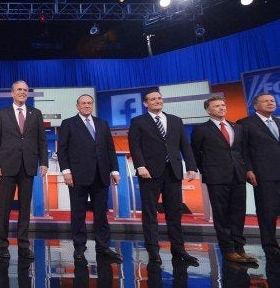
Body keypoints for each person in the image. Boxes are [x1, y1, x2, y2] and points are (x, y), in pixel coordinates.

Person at [128, 90, 199, 266]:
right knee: (150, 213)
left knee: (175, 212)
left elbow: (184, 145)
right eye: (153, 99)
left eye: (159, 98)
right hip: (149, 173)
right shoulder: (138, 122)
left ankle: (178, 249)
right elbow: (134, 146)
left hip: (173, 171)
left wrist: (191, 166)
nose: (157, 101)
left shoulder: (175, 120)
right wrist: (140, 165)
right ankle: (153, 250)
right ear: (145, 104)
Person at [57, 94, 122, 263]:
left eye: (89, 103)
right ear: (77, 106)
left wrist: (115, 170)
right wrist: (66, 171)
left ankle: (103, 247)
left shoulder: (102, 123)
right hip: (77, 176)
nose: (86, 105)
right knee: (78, 214)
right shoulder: (68, 124)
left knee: (101, 214)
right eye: (83, 103)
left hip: (101, 175)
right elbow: (62, 150)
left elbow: (110, 149)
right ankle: (79, 248)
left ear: (92, 105)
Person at [191, 96, 257, 263]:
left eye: (223, 105)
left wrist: (247, 170)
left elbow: (242, 152)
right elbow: (196, 153)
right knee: (222, 216)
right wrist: (207, 170)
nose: (221, 108)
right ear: (208, 110)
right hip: (216, 177)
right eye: (217, 106)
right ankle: (228, 249)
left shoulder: (237, 127)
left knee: (238, 214)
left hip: (238, 175)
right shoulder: (201, 129)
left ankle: (240, 249)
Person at [0, 80, 48, 260]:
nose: (22, 92)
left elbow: (42, 141)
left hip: (28, 166)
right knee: (4, 208)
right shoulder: (2, 114)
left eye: (25, 90)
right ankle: (2, 244)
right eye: (19, 90)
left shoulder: (36, 114)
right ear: (12, 93)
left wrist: (44, 162)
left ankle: (23, 244)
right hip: (6, 166)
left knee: (25, 208)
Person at [237, 92, 280, 260]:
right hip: (263, 173)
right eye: (266, 101)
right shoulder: (245, 123)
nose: (270, 103)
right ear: (255, 106)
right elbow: (243, 149)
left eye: (272, 100)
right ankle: (269, 245)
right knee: (267, 210)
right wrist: (248, 169)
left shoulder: (278, 121)